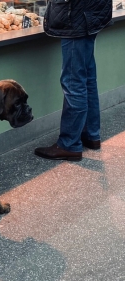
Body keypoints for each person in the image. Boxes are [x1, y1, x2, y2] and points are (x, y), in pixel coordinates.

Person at [34, 0, 112, 161]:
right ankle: (91, 134)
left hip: (76, 17)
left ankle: (69, 144)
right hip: (92, 13)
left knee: (73, 82)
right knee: (87, 79)